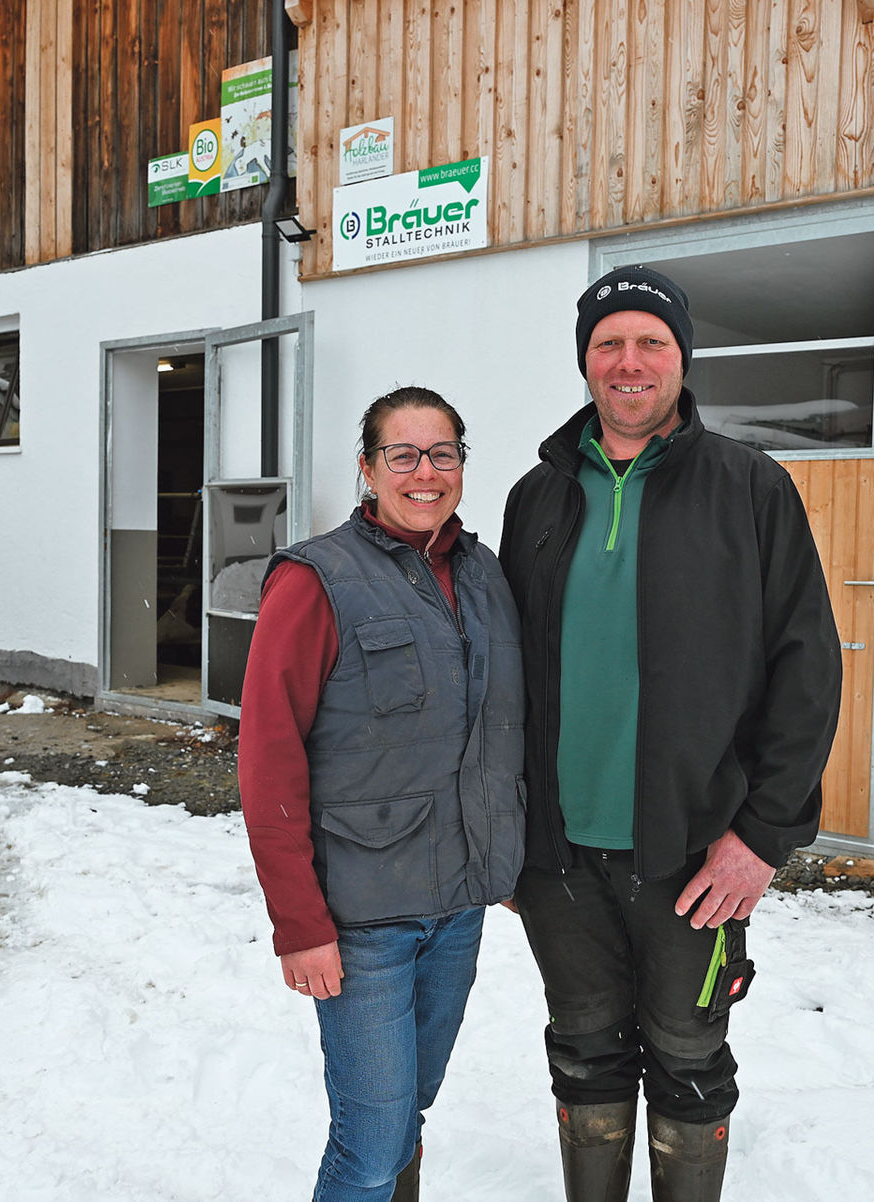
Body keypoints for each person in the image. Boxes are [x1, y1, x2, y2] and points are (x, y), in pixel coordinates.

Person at [499, 266, 842, 1201]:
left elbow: (807, 671)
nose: (630, 361)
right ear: (585, 361)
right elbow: (507, 676)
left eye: (651, 341)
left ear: (682, 359)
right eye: (608, 342)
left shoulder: (750, 488)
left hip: (695, 853)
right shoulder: (537, 496)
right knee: (583, 1052)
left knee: (690, 1057)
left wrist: (762, 836)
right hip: (558, 856)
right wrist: (507, 832)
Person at [238, 387, 526, 1202]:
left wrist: (513, 854)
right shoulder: (315, 580)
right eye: (403, 454)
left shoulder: (485, 575)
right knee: (368, 1148)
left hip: (458, 909)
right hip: (363, 920)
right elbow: (268, 761)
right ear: (367, 469)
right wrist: (300, 924)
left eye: (443, 454)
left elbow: (505, 728)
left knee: (407, 1118)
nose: (425, 472)